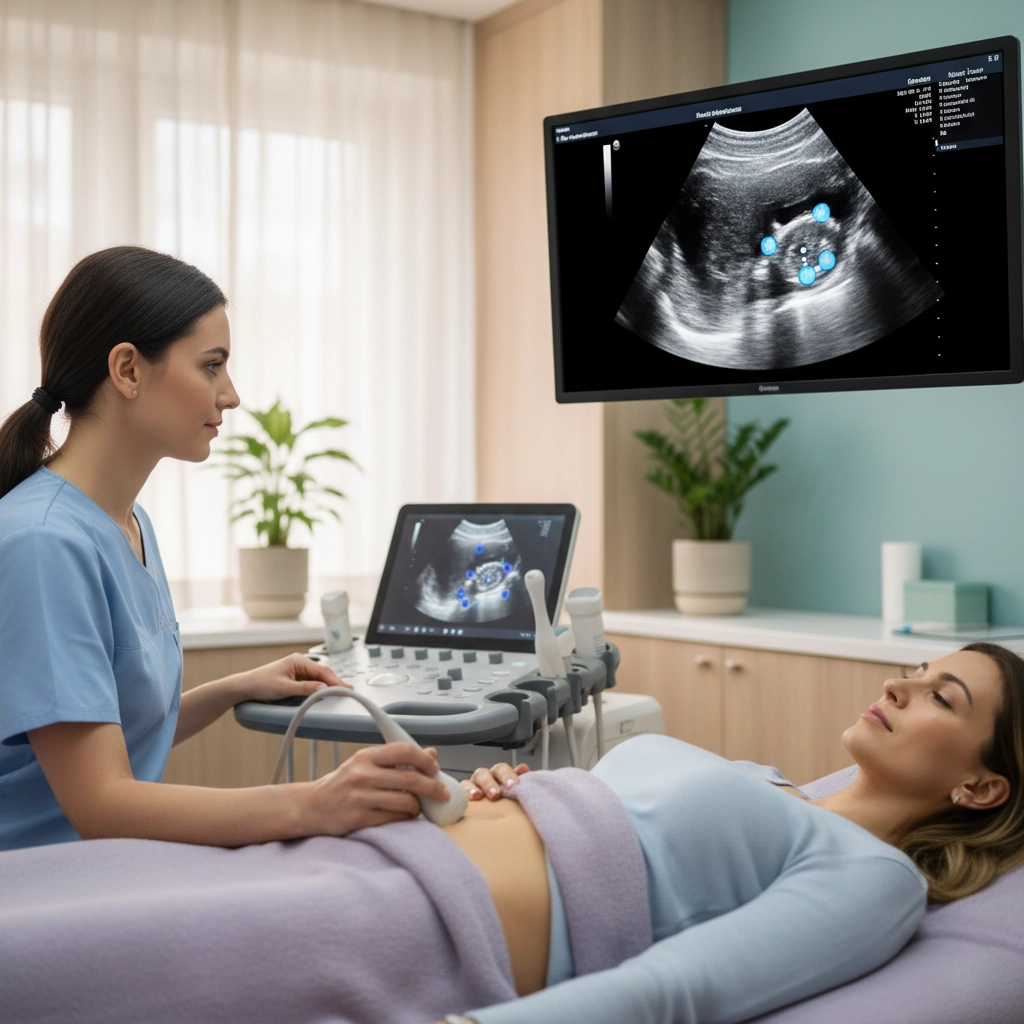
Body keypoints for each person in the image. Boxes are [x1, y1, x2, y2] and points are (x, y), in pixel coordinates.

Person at [0, 246, 451, 852]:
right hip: (39, 888)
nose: (231, 394)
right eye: (212, 365)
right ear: (128, 370)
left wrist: (233, 687)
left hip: (103, 869)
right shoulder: (42, 543)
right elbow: (101, 803)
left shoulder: (127, 523)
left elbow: (110, 734)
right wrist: (315, 802)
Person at [431, 641, 1024, 1024]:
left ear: (979, 787)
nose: (896, 688)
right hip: (411, 836)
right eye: (915, 673)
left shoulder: (872, 876)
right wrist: (503, 790)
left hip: (440, 922)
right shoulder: (754, 778)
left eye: (941, 699)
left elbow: (673, 990)